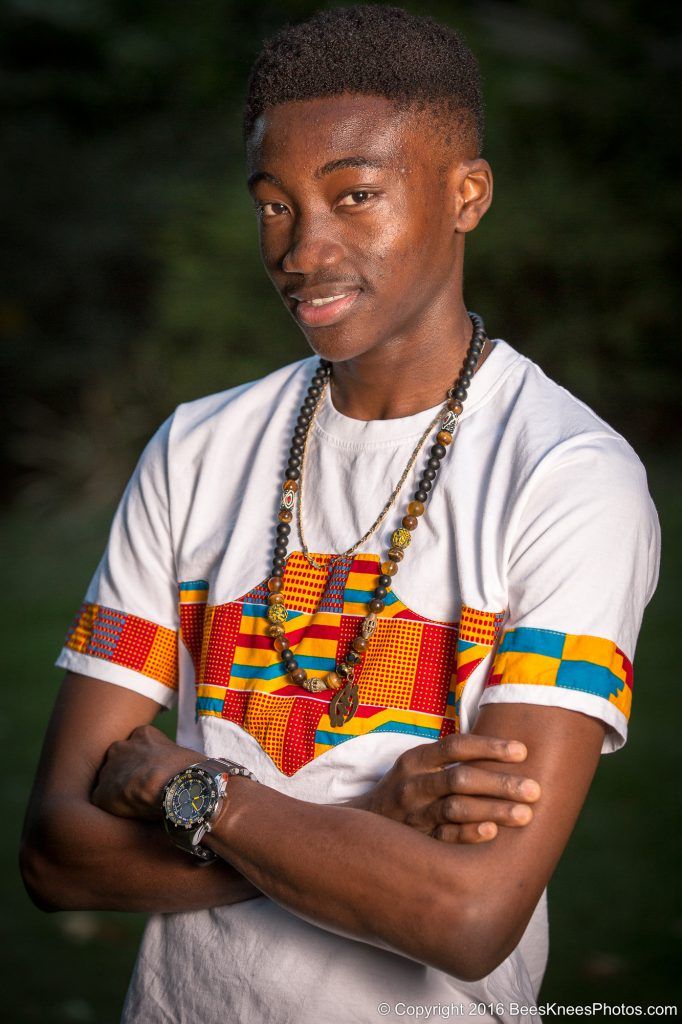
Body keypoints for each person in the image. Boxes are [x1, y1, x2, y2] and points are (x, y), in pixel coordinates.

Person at [20, 6, 660, 1023]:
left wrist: (190, 789)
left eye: (353, 195)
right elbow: (58, 852)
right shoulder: (197, 447)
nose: (302, 250)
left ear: (466, 194)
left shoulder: (566, 475)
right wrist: (368, 823)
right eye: (272, 204)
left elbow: (464, 914)